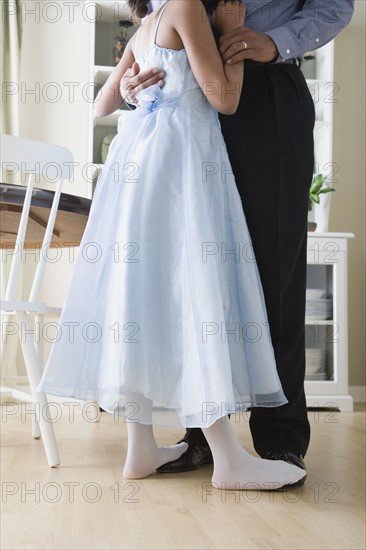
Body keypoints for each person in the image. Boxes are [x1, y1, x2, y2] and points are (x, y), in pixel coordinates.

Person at [36, 0, 306, 490]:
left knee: (138, 296)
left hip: (137, 165)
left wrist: (136, 91)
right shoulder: (187, 8)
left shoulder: (146, 23)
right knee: (196, 291)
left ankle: (140, 447)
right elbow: (223, 99)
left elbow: (101, 104)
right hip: (184, 164)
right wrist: (234, 37)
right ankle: (229, 459)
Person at [120, 0, 355, 479]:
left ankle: (280, 439)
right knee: (193, 277)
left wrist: (275, 42)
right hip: (182, 93)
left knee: (276, 271)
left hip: (265, 88)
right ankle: (203, 437)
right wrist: (130, 85)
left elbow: (335, 6)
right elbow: (153, 26)